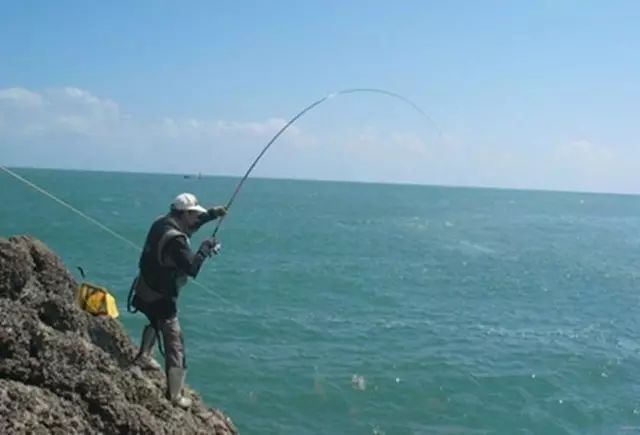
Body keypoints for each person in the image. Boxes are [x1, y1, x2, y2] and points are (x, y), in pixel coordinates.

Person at [129, 192, 227, 409]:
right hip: (161, 297)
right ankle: (175, 396)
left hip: (144, 289)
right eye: (194, 215)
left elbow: (191, 225)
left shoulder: (161, 223)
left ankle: (144, 356)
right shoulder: (176, 240)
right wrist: (205, 249)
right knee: (175, 341)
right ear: (184, 214)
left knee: (154, 321)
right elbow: (191, 268)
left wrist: (212, 214)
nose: (196, 220)